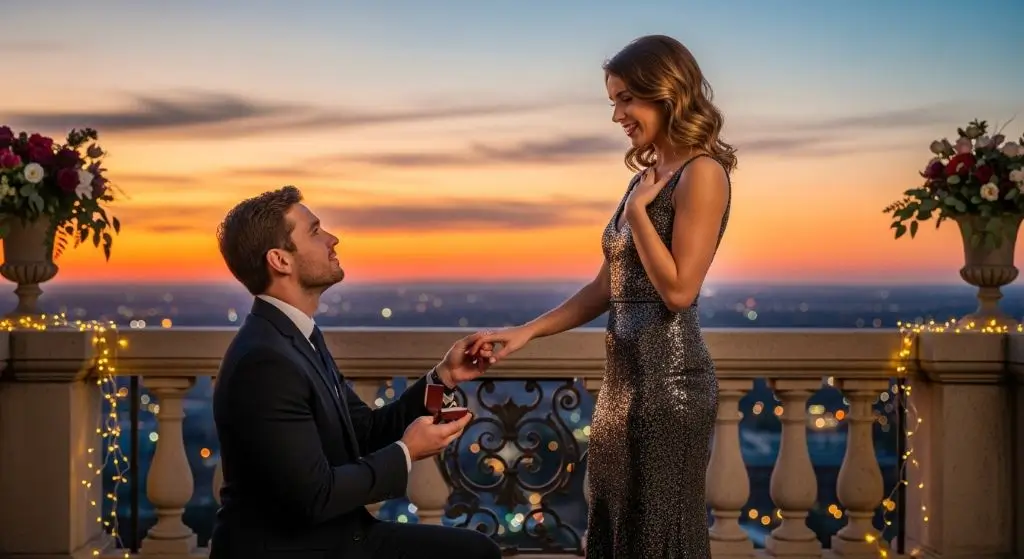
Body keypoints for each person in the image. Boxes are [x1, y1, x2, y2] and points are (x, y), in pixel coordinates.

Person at [468, 35, 735, 557]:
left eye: (625, 99)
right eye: (613, 101)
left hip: (670, 386)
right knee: (616, 527)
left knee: (657, 535)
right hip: (622, 384)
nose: (618, 115)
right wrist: (526, 332)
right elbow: (605, 287)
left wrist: (638, 216)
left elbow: (679, 291)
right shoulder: (647, 176)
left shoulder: (701, 175)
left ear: (666, 93)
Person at [210, 186, 503, 559]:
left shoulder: (297, 337)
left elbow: (363, 432)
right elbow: (314, 497)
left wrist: (443, 376)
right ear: (280, 260)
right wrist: (407, 452)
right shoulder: (265, 361)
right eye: (315, 231)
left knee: (476, 551)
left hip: (338, 536)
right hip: (296, 548)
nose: (333, 238)